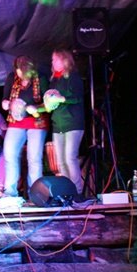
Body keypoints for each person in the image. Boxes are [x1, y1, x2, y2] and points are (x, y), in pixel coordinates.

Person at [0, 55, 49, 199]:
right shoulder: (12, 77)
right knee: (9, 153)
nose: (19, 73)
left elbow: (48, 104)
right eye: (18, 70)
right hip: (16, 121)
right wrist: (6, 104)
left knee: (34, 158)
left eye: (22, 71)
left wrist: (36, 108)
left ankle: (36, 194)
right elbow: (5, 98)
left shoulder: (41, 78)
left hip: (36, 122)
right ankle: (10, 192)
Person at [47, 49, 85, 194]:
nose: (53, 62)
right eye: (52, 60)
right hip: (58, 124)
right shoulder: (54, 80)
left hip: (73, 123)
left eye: (56, 59)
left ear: (65, 60)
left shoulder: (73, 77)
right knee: (61, 162)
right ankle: (67, 191)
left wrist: (61, 99)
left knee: (70, 158)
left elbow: (78, 97)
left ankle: (77, 192)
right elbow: (50, 102)